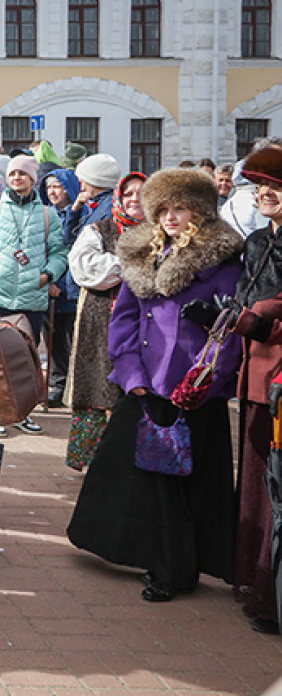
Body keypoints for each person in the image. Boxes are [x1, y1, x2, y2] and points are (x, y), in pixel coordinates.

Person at [67, 167, 242, 604]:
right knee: (143, 480)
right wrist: (131, 374)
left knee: (188, 483)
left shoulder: (224, 265)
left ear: (199, 211)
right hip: (148, 386)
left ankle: (177, 568)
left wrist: (207, 381)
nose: (169, 217)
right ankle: (163, 563)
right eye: (162, 208)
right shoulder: (144, 254)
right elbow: (123, 318)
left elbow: (233, 331)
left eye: (179, 208)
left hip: (194, 388)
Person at [210, 146, 282, 634]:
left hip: (279, 371)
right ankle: (257, 583)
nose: (264, 193)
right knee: (257, 480)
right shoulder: (256, 240)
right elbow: (244, 298)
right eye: (259, 185)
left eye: (274, 187)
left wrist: (253, 319)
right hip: (255, 374)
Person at [0, 153, 68, 435]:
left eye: (22, 174)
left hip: (32, 298)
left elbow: (59, 252)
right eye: (13, 174)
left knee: (27, 358)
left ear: (32, 179)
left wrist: (47, 275)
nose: (17, 178)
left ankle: (22, 412)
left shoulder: (47, 214)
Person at [63, 172, 146, 471]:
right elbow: (84, 269)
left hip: (146, 325)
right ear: (118, 199)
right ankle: (96, 459)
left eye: (140, 193)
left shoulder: (158, 231)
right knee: (99, 383)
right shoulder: (100, 230)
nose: (134, 199)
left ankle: (133, 457)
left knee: (137, 387)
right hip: (101, 320)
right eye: (128, 194)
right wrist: (130, 264)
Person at [39, 167, 82, 407]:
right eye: (49, 187)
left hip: (73, 287)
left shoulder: (80, 214)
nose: (53, 192)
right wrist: (49, 280)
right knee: (53, 339)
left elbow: (69, 246)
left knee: (73, 338)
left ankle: (74, 385)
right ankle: (58, 383)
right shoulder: (45, 215)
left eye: (58, 186)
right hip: (51, 286)